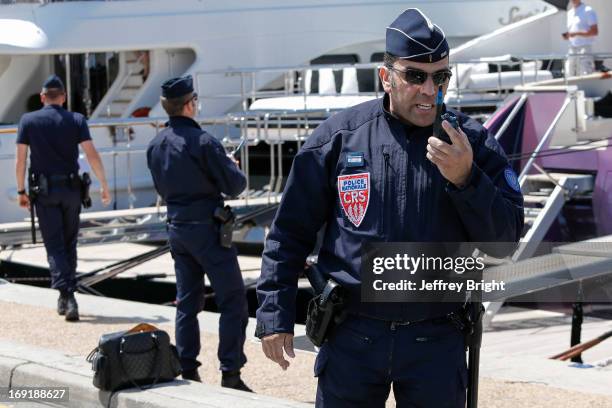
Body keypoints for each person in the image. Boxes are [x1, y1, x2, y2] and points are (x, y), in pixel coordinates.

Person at [256, 8, 524, 407]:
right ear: (387, 77)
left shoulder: (471, 144)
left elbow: (504, 243)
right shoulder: (339, 139)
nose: (430, 90)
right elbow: (289, 233)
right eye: (416, 76)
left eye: (441, 76)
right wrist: (274, 314)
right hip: (352, 338)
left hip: (437, 340)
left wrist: (468, 180)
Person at [146, 75, 252, 391]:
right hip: (208, 229)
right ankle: (230, 372)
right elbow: (235, 186)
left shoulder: (155, 145)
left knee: (187, 302)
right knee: (233, 300)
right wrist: (231, 165)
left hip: (177, 228)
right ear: (190, 104)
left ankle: (188, 368)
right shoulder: (204, 142)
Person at [15, 75, 111, 322]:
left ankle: (67, 294)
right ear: (64, 97)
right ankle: (66, 295)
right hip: (71, 191)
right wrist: (103, 184)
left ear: (42, 97)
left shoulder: (28, 121)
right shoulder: (77, 119)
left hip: (45, 193)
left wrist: (20, 192)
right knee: (69, 242)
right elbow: (91, 154)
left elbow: (20, 160)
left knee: (55, 244)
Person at [562, 0, 598, 77]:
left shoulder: (588, 10)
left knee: (585, 72)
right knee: (568, 72)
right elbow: (572, 31)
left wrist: (576, 33)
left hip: (584, 47)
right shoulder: (569, 13)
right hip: (572, 47)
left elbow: (594, 31)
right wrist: (568, 35)